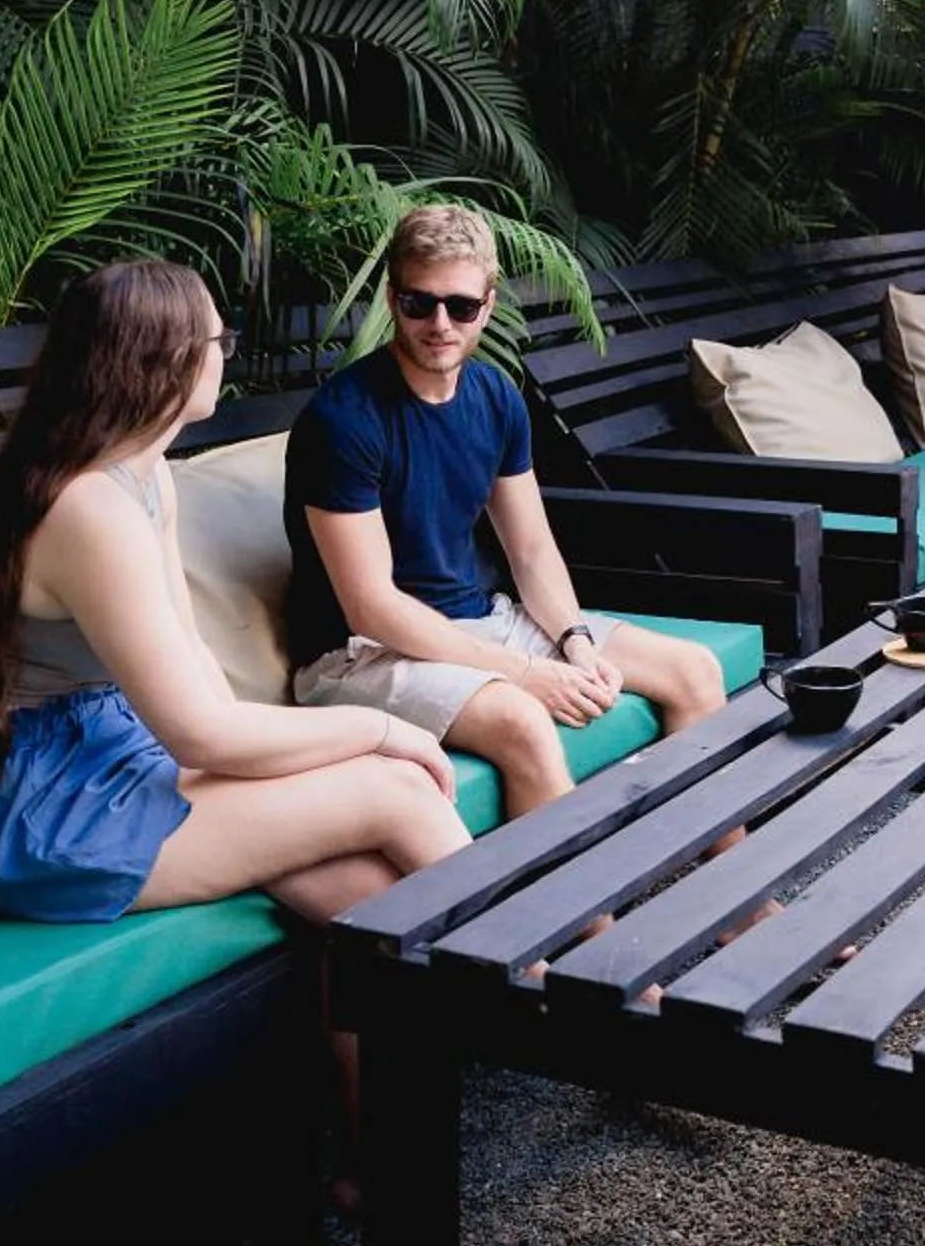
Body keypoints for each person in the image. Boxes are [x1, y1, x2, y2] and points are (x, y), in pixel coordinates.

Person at [0, 261, 469, 929]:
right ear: (167, 361)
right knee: (398, 792)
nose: (224, 358)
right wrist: (381, 729)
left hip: (117, 755)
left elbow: (199, 669)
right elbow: (202, 735)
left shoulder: (146, 480)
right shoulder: (88, 510)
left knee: (365, 897)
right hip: (49, 813)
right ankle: (539, 1002)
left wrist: (312, 754)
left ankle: (475, 1017)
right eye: (219, 343)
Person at [283, 205, 726, 819]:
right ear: (392, 299)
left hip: (478, 622)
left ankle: (732, 899)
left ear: (487, 306)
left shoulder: (495, 396)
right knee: (523, 721)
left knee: (694, 671)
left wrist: (572, 639)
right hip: (360, 654)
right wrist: (520, 673)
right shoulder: (345, 419)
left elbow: (531, 550)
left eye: (460, 306)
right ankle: (585, 919)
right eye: (420, 303)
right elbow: (372, 607)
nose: (440, 323)